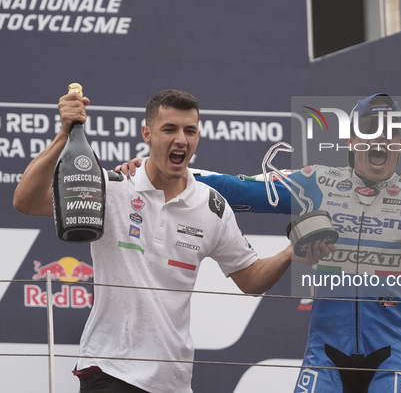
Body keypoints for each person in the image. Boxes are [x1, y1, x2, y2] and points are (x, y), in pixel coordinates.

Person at [118, 94, 401, 393]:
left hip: (395, 355)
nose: (378, 140)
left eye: (389, 133)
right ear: (350, 141)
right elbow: (239, 189)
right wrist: (155, 169)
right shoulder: (316, 184)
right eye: (368, 131)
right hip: (325, 354)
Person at [12, 88, 332, 393]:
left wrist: (292, 252)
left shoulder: (211, 206)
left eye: (189, 131)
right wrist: (65, 135)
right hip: (109, 370)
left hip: (173, 381)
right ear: (147, 135)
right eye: (169, 129)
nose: (181, 139)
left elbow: (250, 280)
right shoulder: (114, 187)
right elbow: (26, 201)